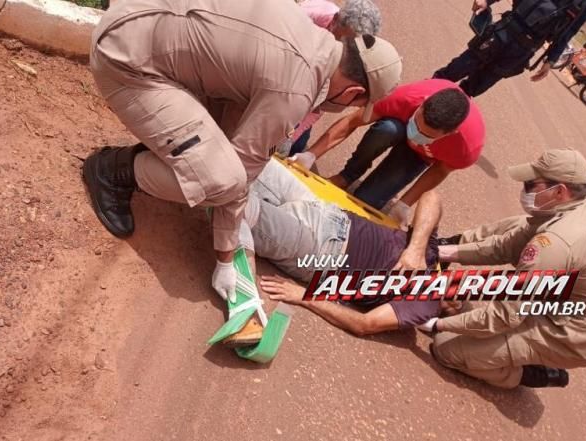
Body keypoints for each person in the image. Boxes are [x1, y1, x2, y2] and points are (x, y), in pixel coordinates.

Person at [83, 0, 402, 303]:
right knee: (222, 182)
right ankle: (113, 171)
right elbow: (240, 174)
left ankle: (159, 157)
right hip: (125, 59)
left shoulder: (309, 36)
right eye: (359, 104)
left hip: (138, 15)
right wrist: (226, 258)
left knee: (221, 148)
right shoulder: (295, 88)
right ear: (354, 93)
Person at [427, 149, 586, 389]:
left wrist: (436, 325)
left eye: (531, 184)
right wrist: (444, 251)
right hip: (556, 295)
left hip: (568, 331)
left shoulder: (556, 243)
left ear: (560, 191)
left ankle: (532, 373)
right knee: (517, 225)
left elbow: (506, 315)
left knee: (445, 347)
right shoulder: (569, 208)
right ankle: (462, 309)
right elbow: (506, 246)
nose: (524, 188)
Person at [233, 158, 455, 336]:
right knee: (246, 157)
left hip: (321, 251)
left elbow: (365, 324)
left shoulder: (423, 304)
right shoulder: (429, 254)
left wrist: (305, 296)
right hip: (328, 211)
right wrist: (416, 247)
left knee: (233, 203)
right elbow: (432, 197)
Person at [292, 79, 484, 223]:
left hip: (420, 156)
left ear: (451, 133)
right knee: (386, 130)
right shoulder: (407, 97)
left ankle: (373, 189)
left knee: (364, 203)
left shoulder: (467, 148)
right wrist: (311, 154)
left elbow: (439, 171)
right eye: (417, 123)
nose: (416, 133)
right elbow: (353, 121)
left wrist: (405, 204)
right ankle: (347, 176)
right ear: (423, 104)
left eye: (426, 134)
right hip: (395, 128)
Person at [433, 0, 586, 97]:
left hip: (523, 50)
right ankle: (417, 100)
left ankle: (439, 121)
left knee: (474, 88)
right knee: (456, 69)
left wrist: (551, 60)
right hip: (505, 30)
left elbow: (570, 30)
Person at [290, 0, 383, 155]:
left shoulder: (357, 49)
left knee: (295, 145)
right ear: (335, 21)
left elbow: (326, 95)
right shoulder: (307, 16)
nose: (346, 47)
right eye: (345, 39)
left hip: (312, 95)